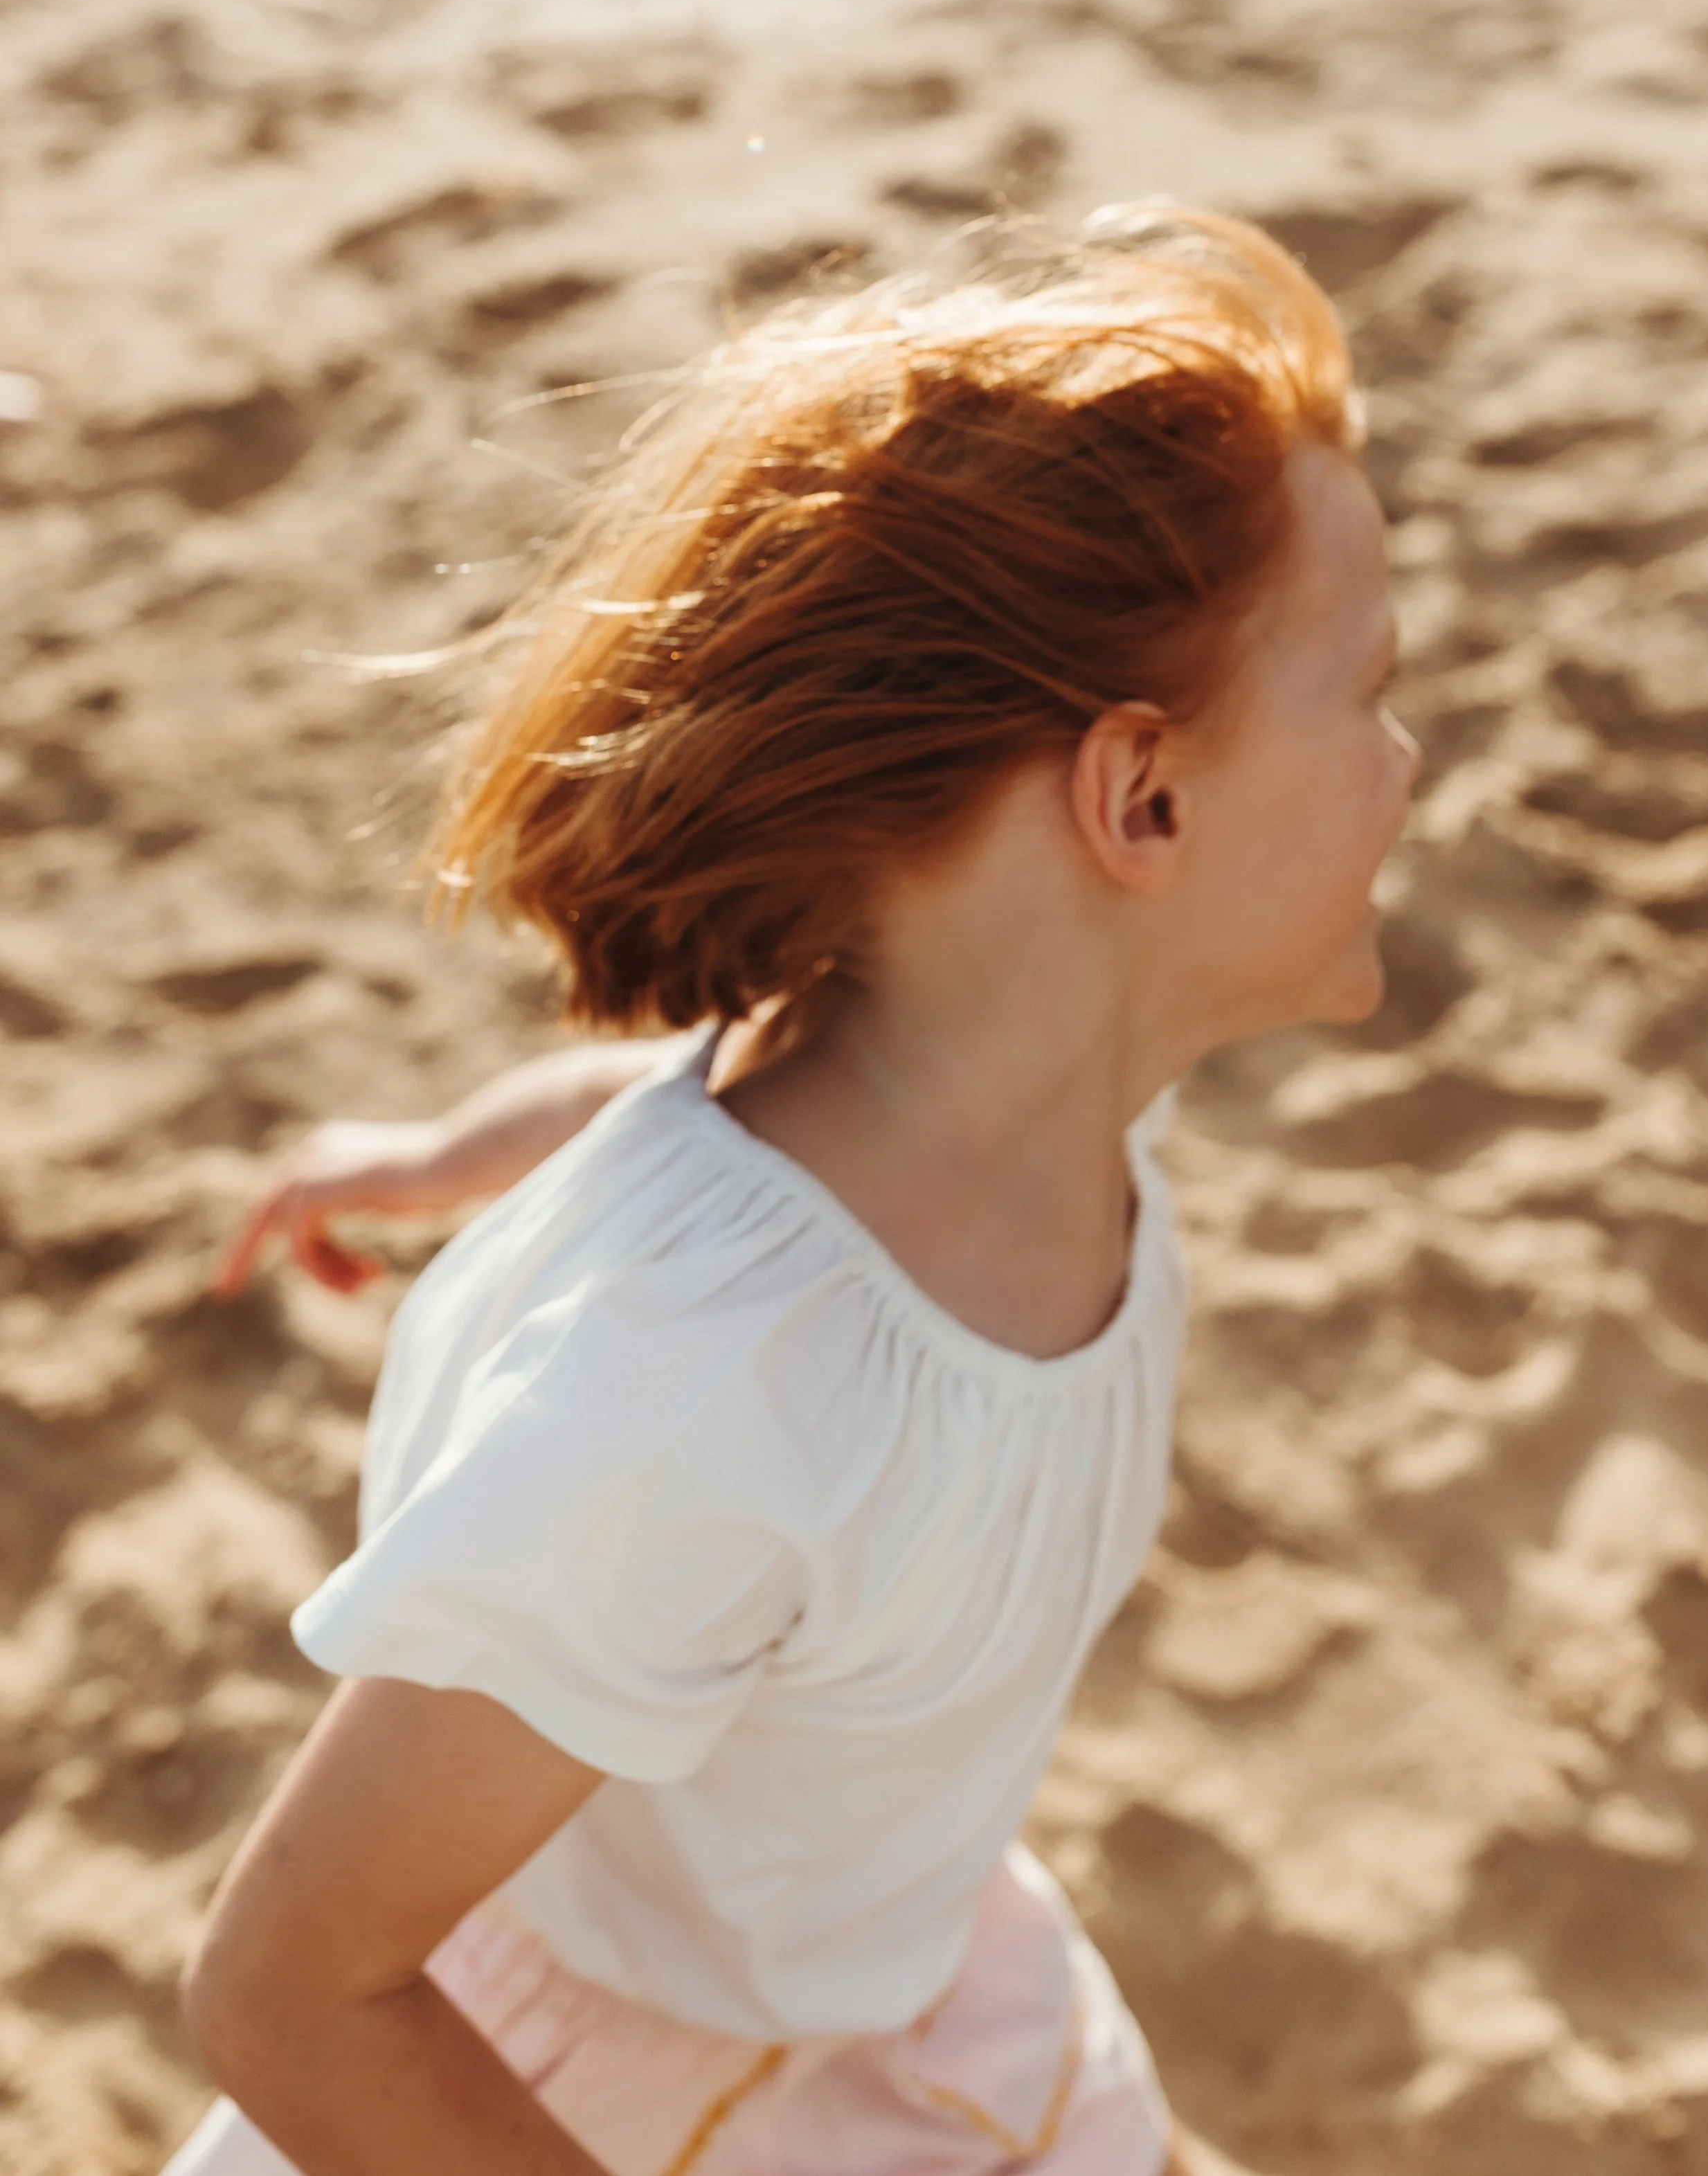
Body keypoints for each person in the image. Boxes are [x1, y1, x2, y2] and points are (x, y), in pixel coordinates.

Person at [169, 202, 1419, 2176]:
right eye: (1365, 686)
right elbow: (287, 1987)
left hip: (869, 1959)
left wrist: (437, 1157)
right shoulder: (697, 1394)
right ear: (1141, 799)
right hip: (611, 2094)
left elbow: (652, 1111)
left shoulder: (1025, 1093)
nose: (1407, 760)